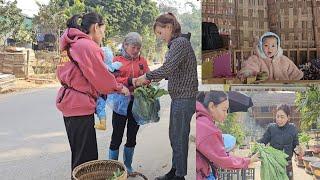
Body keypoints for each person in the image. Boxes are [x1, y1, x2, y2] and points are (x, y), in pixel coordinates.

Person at [56, 12, 129, 171]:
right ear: (96, 27)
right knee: (86, 162)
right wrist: (119, 87)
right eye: (103, 30)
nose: (103, 34)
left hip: (71, 104)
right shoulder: (86, 45)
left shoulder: (72, 43)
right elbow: (101, 77)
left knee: (80, 157)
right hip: (79, 106)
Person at [135, 12, 198, 180]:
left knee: (179, 137)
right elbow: (172, 70)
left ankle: (179, 176)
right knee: (175, 136)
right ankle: (175, 171)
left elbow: (167, 68)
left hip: (184, 98)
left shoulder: (180, 43)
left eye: (160, 33)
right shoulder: (177, 44)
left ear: (169, 28)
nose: (160, 37)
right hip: (180, 98)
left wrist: (146, 77)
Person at [108, 32, 150, 175]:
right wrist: (130, 81)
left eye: (138, 47)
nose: (136, 50)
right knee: (116, 136)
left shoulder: (142, 61)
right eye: (133, 47)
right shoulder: (116, 61)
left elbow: (148, 77)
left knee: (132, 136)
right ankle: (113, 168)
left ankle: (128, 166)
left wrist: (147, 83)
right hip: (120, 104)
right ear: (125, 45)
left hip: (136, 104)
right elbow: (112, 80)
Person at [196, 91, 259, 180]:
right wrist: (248, 161)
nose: (226, 114)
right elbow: (223, 160)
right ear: (212, 106)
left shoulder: (200, 119)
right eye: (224, 110)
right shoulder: (208, 128)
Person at [258, 104, 301, 180]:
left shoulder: (292, 128)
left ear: (288, 117)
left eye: (282, 117)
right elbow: (263, 141)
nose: (279, 119)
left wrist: (298, 151)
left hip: (287, 163)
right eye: (277, 116)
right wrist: (255, 146)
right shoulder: (271, 128)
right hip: (274, 164)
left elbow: (295, 145)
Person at [238, 32, 303, 81]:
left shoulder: (284, 60)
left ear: (278, 47)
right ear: (260, 46)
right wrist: (254, 74)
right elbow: (249, 68)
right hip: (262, 90)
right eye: (266, 46)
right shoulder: (256, 59)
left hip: (283, 89)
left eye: (273, 46)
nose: (269, 49)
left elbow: (295, 73)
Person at [94, 46, 123, 130]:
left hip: (100, 93)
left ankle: (103, 124)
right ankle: (102, 123)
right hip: (104, 93)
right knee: (101, 107)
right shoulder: (111, 67)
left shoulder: (103, 68)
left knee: (100, 108)